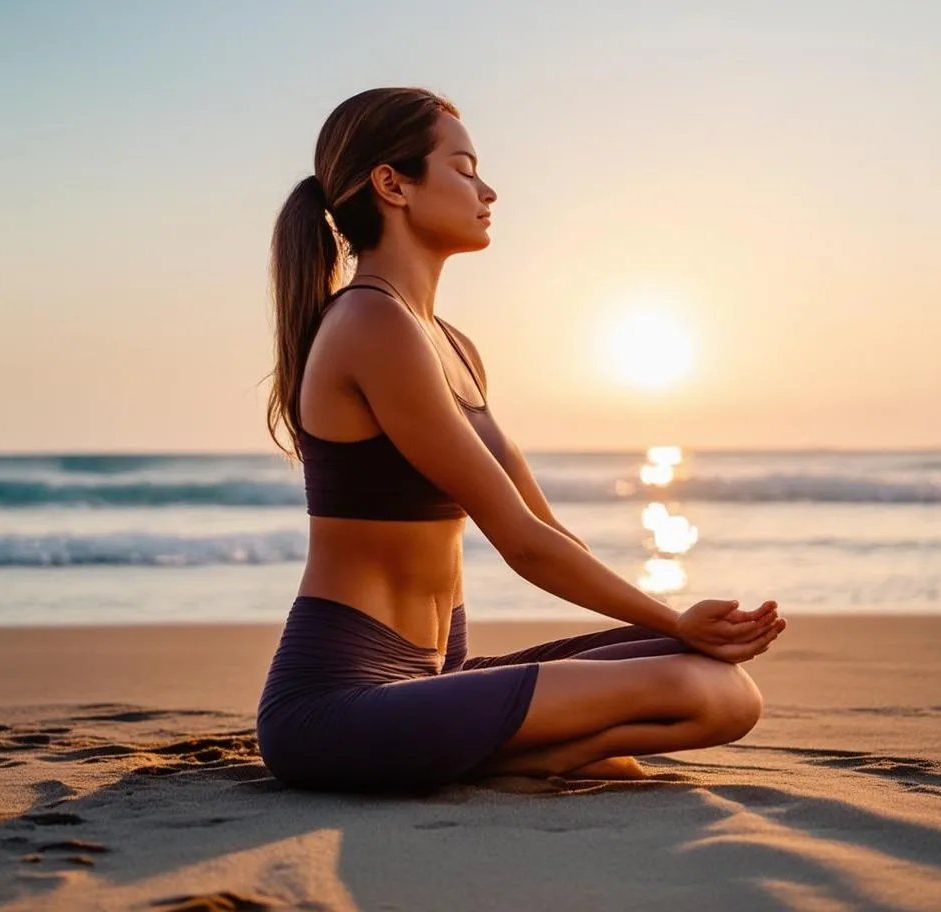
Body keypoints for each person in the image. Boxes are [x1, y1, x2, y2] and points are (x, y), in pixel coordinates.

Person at [256, 87, 787, 794]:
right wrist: (674, 618)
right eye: (465, 167)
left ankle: (490, 753)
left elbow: (544, 527)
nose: (489, 190)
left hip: (440, 680)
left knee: (722, 684)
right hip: (340, 704)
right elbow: (519, 543)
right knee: (706, 688)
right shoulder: (371, 325)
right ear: (393, 184)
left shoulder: (453, 345)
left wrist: (677, 628)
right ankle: (512, 755)